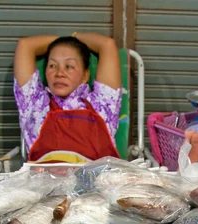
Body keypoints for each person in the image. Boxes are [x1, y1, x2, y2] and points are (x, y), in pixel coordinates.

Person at [14, 32, 122, 163]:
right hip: (45, 181)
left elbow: (107, 45)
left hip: (97, 181)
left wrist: (73, 37)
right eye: (52, 65)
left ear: (85, 76)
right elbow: (25, 45)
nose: (59, 73)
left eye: (69, 66)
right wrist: (64, 40)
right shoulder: (34, 102)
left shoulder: (102, 103)